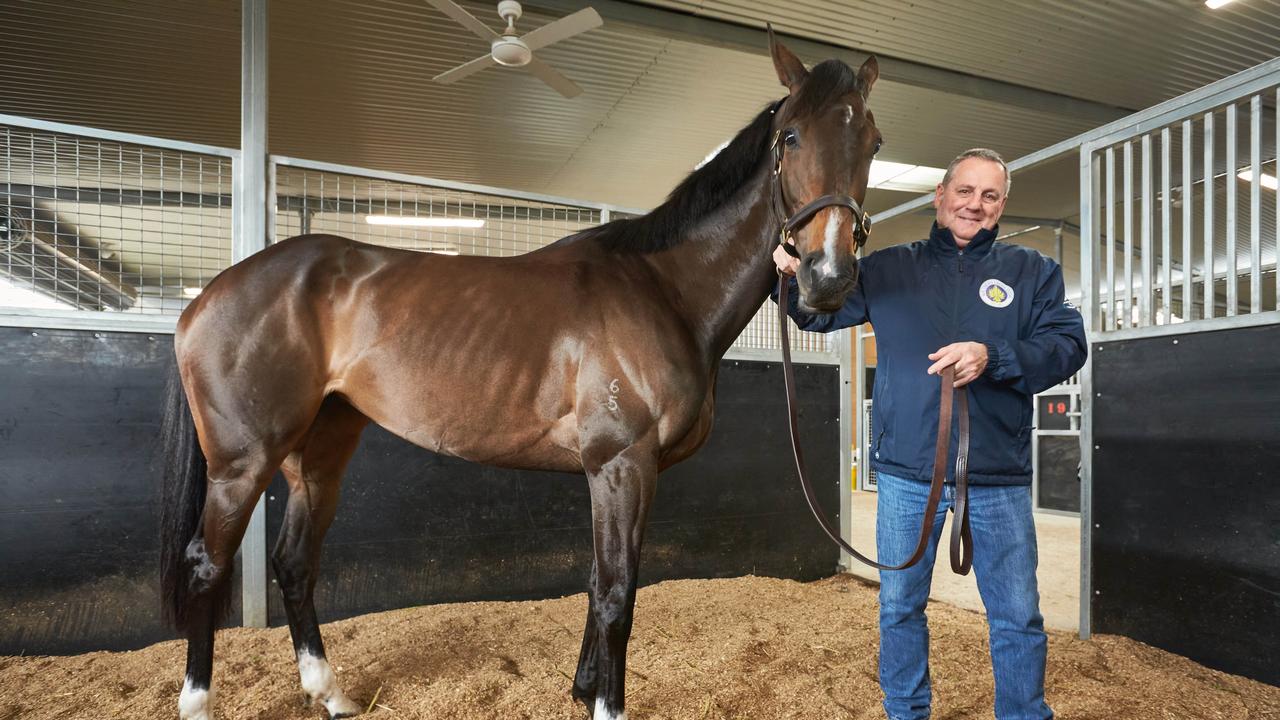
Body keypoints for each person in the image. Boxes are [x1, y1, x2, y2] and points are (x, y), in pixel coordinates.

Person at [772, 148, 1087, 720]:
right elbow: (820, 315)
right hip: (905, 474)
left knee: (1018, 615)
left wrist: (993, 356)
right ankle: (906, 711)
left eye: (990, 196)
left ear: (1002, 206)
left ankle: (1022, 713)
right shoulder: (890, 268)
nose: (975, 205)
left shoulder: (1033, 273)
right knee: (898, 606)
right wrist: (797, 272)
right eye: (965, 191)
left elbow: (1067, 347)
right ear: (941, 197)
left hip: (998, 478)